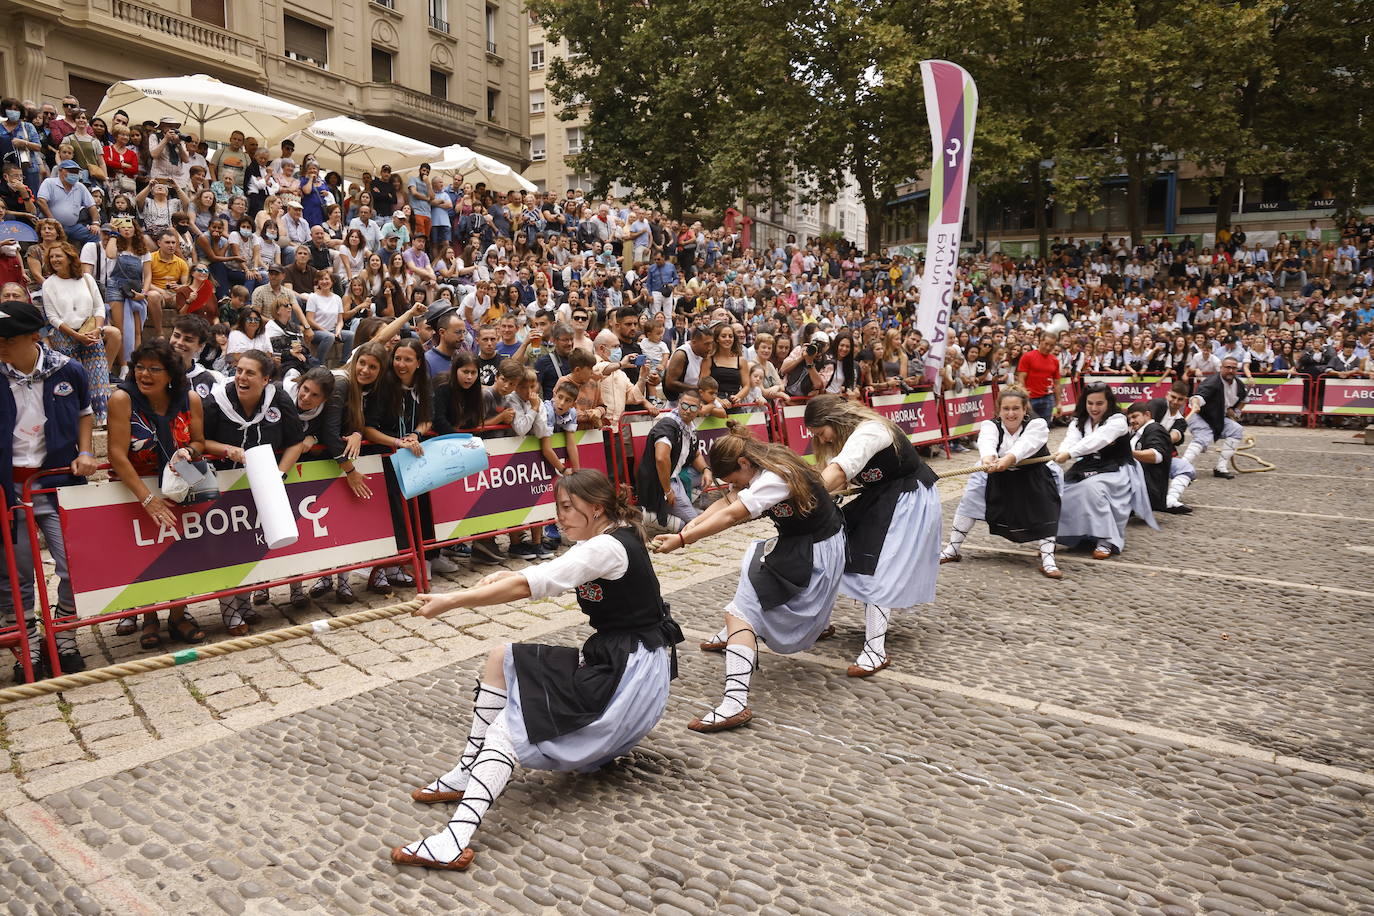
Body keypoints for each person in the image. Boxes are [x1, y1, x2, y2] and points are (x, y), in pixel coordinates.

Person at [394, 470, 683, 871]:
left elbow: (535, 584)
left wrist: (455, 600)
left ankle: (452, 840)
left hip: (626, 676)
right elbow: (552, 571)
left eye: (567, 507)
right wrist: (510, 575)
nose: (559, 517)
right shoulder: (611, 535)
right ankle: (467, 770)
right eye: (557, 507)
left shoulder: (605, 548)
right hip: (628, 660)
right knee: (501, 657)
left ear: (596, 507)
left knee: (510, 729)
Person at [652, 427, 846, 732]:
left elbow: (731, 516)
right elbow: (727, 503)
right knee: (753, 563)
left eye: (733, 479)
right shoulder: (763, 462)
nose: (733, 486)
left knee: (739, 612)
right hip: (810, 543)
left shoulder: (773, 478)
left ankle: (735, 703)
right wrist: (684, 532)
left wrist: (683, 541)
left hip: (813, 551)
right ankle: (755, 631)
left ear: (743, 463)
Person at [802, 393, 942, 675]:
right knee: (835, 551)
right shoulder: (842, 438)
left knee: (878, 566)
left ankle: (875, 650)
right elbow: (831, 474)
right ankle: (820, 624)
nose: (824, 440)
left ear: (834, 421)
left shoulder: (871, 430)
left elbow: (839, 472)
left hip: (907, 499)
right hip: (880, 498)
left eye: (822, 433)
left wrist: (805, 501)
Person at [0, 295, 97, 679]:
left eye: (8, 338)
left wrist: (86, 450)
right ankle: (28, 647)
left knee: (74, 564)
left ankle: (65, 637)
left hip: (56, 484)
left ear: (34, 337)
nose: (1, 345)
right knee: (15, 575)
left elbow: (86, 414)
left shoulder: (68, 370)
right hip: (10, 491)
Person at [105, 339, 209, 648]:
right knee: (145, 556)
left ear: (171, 375)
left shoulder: (189, 399)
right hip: (136, 487)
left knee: (181, 552)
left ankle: (178, 615)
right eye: (139, 367)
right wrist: (147, 499)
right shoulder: (122, 399)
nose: (144, 375)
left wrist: (188, 451)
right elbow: (116, 455)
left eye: (154, 369)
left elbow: (201, 441)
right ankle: (149, 617)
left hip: (182, 484)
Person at [201, 350, 306, 632]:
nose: (241, 377)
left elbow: (296, 442)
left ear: (266, 379)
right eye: (238, 371)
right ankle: (229, 610)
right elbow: (200, 442)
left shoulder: (278, 399)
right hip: (225, 485)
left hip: (263, 486)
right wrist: (227, 450)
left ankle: (244, 603)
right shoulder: (216, 401)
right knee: (226, 549)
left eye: (249, 373)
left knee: (250, 546)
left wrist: (278, 474)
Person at [939, 388, 1064, 578]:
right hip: (996, 473)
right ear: (999, 409)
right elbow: (987, 442)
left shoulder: (1037, 424)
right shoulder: (990, 424)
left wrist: (1007, 460)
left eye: (1016, 408)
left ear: (1025, 409)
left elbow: (1026, 445)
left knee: (1045, 508)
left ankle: (1048, 558)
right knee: (970, 500)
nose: (1011, 413)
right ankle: (953, 548)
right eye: (1006, 409)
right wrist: (988, 459)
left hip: (1032, 474)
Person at [1053, 381, 1157, 558]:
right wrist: (1063, 451)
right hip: (1088, 467)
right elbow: (1071, 439)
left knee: (1092, 489)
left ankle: (1106, 538)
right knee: (1061, 490)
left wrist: (1070, 453)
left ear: (1108, 402)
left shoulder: (1117, 421)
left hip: (1116, 469)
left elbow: (1098, 439)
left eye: (1099, 403)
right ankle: (1074, 535)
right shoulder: (1078, 422)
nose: (1094, 408)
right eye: (1090, 403)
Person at [40, 243, 110, 422]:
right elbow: (52, 317)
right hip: (64, 335)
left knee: (98, 374)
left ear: (70, 257)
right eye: (52, 257)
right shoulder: (49, 284)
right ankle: (75, 416)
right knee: (69, 376)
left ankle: (102, 417)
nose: (54, 260)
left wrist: (98, 329)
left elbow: (99, 306)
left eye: (58, 256)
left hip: (91, 331)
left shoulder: (86, 278)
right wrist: (75, 335)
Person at [633, 387, 714, 532]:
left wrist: (706, 469)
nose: (688, 410)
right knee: (693, 526)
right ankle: (643, 514)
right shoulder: (668, 425)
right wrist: (668, 491)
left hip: (676, 476)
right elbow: (661, 458)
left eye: (693, 407)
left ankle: (677, 507)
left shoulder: (689, 426)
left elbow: (695, 454)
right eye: (684, 405)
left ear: (699, 408)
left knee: (704, 475)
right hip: (661, 483)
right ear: (678, 403)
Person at [1182, 356, 1246, 480]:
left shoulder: (1239, 385)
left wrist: (1235, 412)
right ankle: (1182, 467)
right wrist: (1195, 403)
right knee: (1204, 436)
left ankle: (1220, 468)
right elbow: (1198, 396)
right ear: (1221, 368)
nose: (1231, 371)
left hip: (1218, 418)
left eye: (1234, 368)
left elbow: (1244, 399)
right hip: (1200, 416)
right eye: (1228, 367)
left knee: (1237, 430)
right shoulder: (1211, 382)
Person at [1143, 383, 1196, 513]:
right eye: (1173, 397)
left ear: (1185, 400)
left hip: (1160, 458)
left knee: (1187, 468)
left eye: (1180, 399)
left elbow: (1175, 436)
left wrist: (1164, 438)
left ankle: (1170, 501)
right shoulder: (1158, 404)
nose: (1175, 402)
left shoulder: (1181, 421)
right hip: (1140, 453)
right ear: (1167, 394)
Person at [1126, 401, 1183, 517]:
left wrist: (1128, 453)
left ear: (1147, 415)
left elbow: (1156, 456)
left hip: (1147, 489)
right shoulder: (1136, 434)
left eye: (1135, 416)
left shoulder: (1155, 429)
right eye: (1130, 418)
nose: (1131, 421)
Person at [1016, 331, 1061, 421]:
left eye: (1051, 345)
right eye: (1046, 344)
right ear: (1040, 341)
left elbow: (1057, 383)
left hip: (1047, 398)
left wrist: (1059, 403)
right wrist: (1025, 399)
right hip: (1031, 398)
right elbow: (1021, 379)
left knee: (1045, 427)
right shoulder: (1028, 357)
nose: (1048, 348)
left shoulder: (1054, 360)